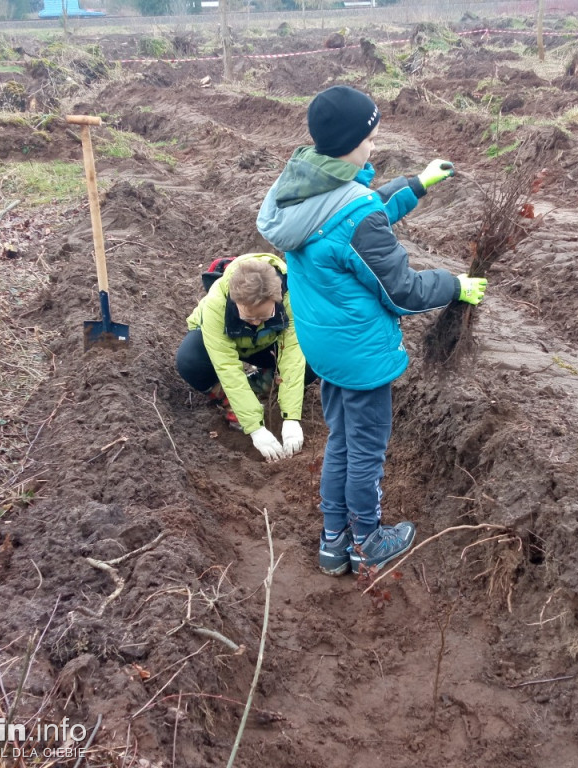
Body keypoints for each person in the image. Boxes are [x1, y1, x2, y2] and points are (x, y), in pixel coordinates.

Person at [256, 85, 488, 576]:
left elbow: (358, 211)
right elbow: (401, 289)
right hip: (360, 355)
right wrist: (455, 285)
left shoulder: (301, 187)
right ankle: (367, 541)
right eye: (372, 137)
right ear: (350, 143)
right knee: (364, 451)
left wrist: (417, 184)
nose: (375, 144)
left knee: (341, 441)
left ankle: (333, 540)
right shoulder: (351, 212)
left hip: (325, 346)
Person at [175, 253, 316, 462]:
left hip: (267, 345)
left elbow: (292, 356)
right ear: (235, 299)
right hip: (222, 342)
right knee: (189, 360)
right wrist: (254, 428)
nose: (256, 323)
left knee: (313, 356)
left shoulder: (290, 297)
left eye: (264, 317)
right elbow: (228, 367)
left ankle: (262, 385)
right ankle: (228, 399)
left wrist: (291, 418)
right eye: (249, 317)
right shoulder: (217, 304)